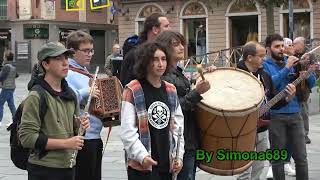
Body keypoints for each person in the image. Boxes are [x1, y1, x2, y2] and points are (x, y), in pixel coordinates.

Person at [18, 42, 90, 180]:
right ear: (46, 64)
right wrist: (66, 143)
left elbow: (74, 132)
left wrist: (80, 125)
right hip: (44, 169)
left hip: (68, 167)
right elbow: (26, 138)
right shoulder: (36, 96)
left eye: (66, 58)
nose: (65, 63)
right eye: (58, 59)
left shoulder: (71, 94)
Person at [120, 42, 184, 180]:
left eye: (163, 59)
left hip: (167, 165)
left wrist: (179, 156)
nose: (160, 64)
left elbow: (179, 129)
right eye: (155, 59)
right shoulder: (132, 89)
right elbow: (127, 131)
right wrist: (142, 156)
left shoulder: (171, 90)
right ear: (145, 62)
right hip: (142, 166)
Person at [236, 41, 296, 180]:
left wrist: (287, 98)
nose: (264, 58)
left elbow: (272, 100)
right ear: (250, 57)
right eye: (261, 56)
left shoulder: (265, 75)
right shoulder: (237, 74)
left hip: (262, 128)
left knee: (259, 165)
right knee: (244, 169)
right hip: (243, 128)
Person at [156, 31, 211, 180]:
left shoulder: (177, 71)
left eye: (182, 44)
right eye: (176, 44)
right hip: (179, 141)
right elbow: (172, 108)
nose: (181, 47)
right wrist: (197, 92)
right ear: (165, 47)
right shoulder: (165, 76)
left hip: (189, 137)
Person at [263, 34, 317, 180]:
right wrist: (286, 68)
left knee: (301, 157)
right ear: (268, 49)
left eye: (282, 46)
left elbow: (311, 84)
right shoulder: (264, 65)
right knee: (277, 158)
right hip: (275, 115)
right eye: (277, 47)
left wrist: (308, 73)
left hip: (295, 113)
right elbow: (268, 84)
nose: (281, 49)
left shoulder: (292, 61)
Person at [65, 30, 102, 180]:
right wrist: (86, 91)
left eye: (92, 50)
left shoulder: (85, 71)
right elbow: (64, 98)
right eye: (86, 51)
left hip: (94, 137)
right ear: (73, 52)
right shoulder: (66, 72)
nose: (90, 54)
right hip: (82, 139)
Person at [120, 12, 170, 86]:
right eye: (166, 26)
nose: (170, 29)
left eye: (163, 59)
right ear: (155, 30)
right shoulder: (135, 54)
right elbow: (127, 86)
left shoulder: (164, 51)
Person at [293, 36, 313, 144]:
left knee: (304, 113)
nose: (294, 46)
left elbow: (316, 69)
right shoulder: (292, 54)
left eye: (296, 44)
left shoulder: (310, 55)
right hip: (293, 87)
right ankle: (296, 134)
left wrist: (305, 64)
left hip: (303, 88)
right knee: (295, 113)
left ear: (302, 44)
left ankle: (305, 134)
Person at [0, 50, 18, 127]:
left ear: (6, 57)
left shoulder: (6, 67)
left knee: (0, 104)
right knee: (11, 104)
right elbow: (16, 75)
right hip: (11, 87)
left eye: (4, 56)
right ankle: (15, 120)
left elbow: (0, 77)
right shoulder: (13, 66)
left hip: (6, 88)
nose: (3, 57)